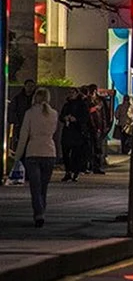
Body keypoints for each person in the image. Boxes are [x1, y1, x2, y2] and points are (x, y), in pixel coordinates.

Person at [14, 88, 59, 227]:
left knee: (35, 186)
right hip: (49, 152)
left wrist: (17, 156)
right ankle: (42, 211)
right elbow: (54, 132)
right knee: (43, 187)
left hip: (33, 151)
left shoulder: (30, 113)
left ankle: (38, 213)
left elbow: (23, 136)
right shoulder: (54, 114)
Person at [58, 88, 89, 181]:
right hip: (67, 131)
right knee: (66, 152)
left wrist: (76, 119)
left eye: (73, 93)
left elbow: (85, 118)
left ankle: (75, 172)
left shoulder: (82, 105)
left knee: (76, 153)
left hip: (77, 132)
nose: (71, 94)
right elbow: (61, 116)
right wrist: (65, 118)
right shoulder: (67, 105)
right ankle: (68, 171)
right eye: (70, 92)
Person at [7, 79, 36, 147]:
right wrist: (16, 122)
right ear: (25, 86)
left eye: (32, 86)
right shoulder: (18, 98)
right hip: (20, 125)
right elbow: (11, 111)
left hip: (33, 126)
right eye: (28, 86)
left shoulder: (36, 99)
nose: (30, 88)